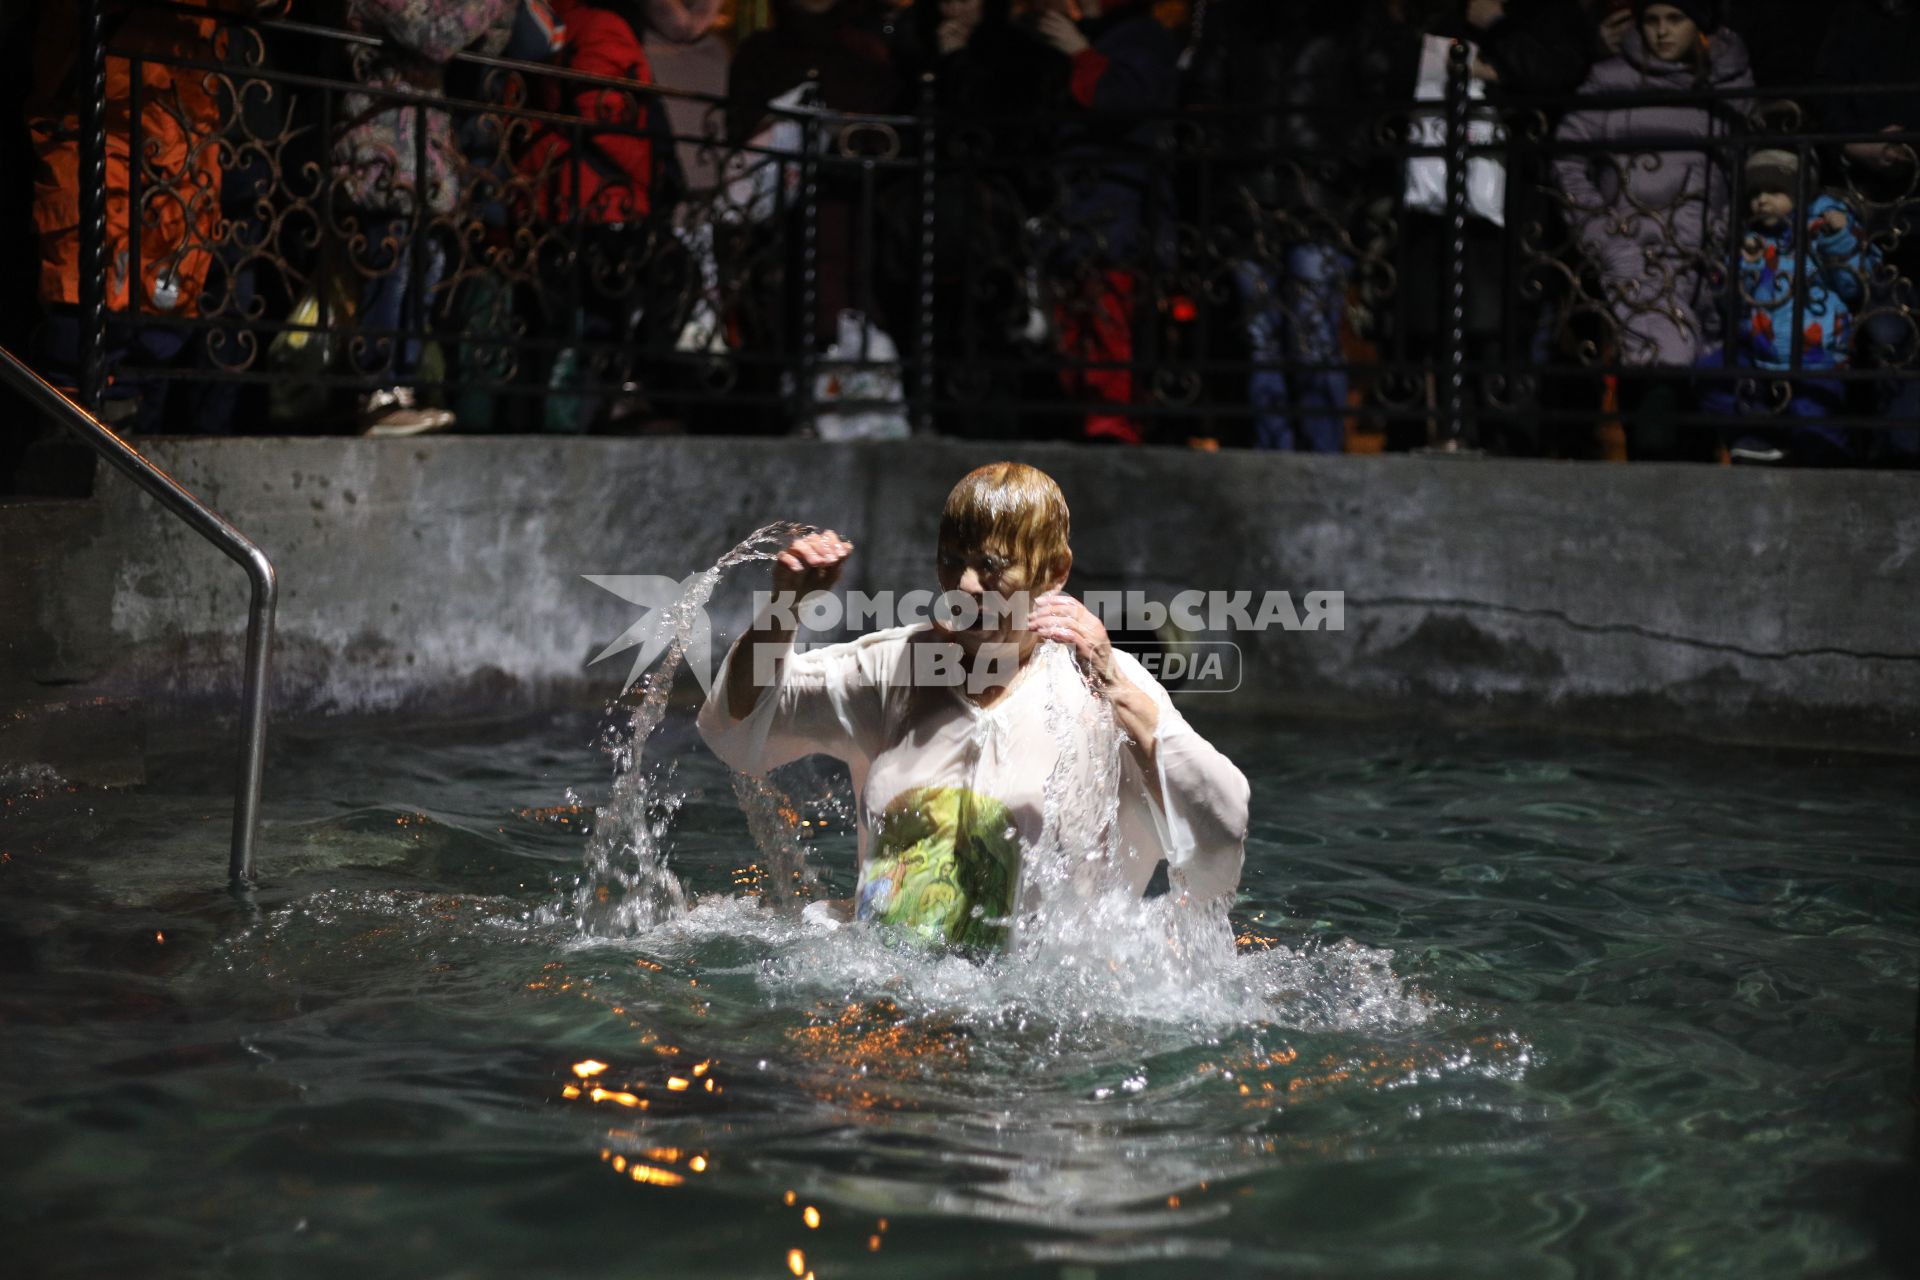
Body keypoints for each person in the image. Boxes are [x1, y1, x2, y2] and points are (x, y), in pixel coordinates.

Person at [696, 462, 1249, 951]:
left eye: (990, 567)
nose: (963, 586)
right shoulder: (896, 666)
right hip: (887, 1000)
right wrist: (785, 607)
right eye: (951, 561)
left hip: (1042, 1019)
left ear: (1054, 571)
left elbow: (1219, 822)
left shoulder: (1103, 686)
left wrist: (1117, 689)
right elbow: (744, 719)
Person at [1553, 0, 1753, 459]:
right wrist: (1604, 236)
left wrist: (1728, 230)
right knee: (1658, 364)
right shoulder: (1612, 81)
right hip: (1636, 257)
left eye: (1675, 19)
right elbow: (1567, 161)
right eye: (1652, 20)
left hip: (1707, 261)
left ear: (1698, 26)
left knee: (1695, 394)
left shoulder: (1728, 82)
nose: (1662, 32)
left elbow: (1746, 166)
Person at [1697, 149, 1877, 463]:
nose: (1762, 200)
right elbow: (1730, 304)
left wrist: (1838, 238)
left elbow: (1853, 285)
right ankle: (1757, 438)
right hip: (1759, 354)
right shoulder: (1751, 241)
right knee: (1712, 374)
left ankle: (1829, 474)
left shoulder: (1823, 229)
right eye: (1754, 194)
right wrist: (1747, 266)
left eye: (1774, 191)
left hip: (1815, 356)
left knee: (1816, 429)